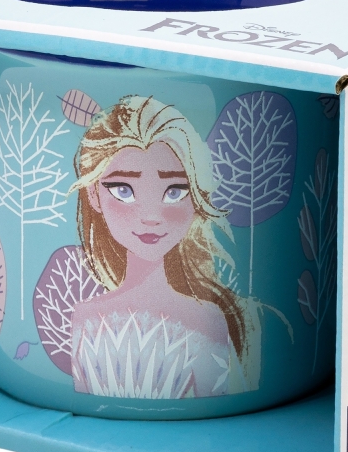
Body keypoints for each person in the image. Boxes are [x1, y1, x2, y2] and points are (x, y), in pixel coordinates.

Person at [68, 95, 259, 399]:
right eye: (123, 190)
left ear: (196, 196)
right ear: (94, 195)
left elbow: (213, 406)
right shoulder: (86, 316)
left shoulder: (206, 319)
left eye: (174, 191)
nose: (151, 217)